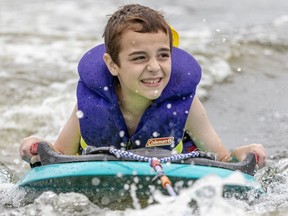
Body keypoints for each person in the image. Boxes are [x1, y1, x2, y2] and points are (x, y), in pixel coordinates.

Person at [19, 4, 266, 168]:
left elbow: (223, 159)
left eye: (163, 55)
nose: (154, 67)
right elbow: (60, 154)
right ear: (112, 64)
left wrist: (244, 153)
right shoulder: (92, 103)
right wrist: (36, 146)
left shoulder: (187, 106)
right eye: (139, 58)